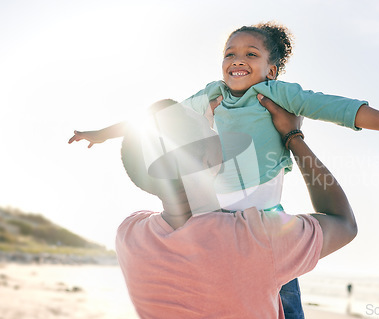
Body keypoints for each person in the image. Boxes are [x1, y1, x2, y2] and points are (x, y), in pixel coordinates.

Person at [69, 22, 379, 318]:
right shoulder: (211, 96)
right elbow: (153, 121)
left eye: (251, 54)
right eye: (230, 52)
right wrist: (103, 133)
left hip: (261, 219)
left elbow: (340, 108)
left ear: (272, 70)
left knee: (282, 286)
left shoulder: (278, 94)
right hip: (218, 220)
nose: (237, 58)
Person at [115, 95, 357, 319]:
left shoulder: (129, 234)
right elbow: (343, 223)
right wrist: (293, 136)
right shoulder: (256, 238)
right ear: (205, 160)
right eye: (208, 128)